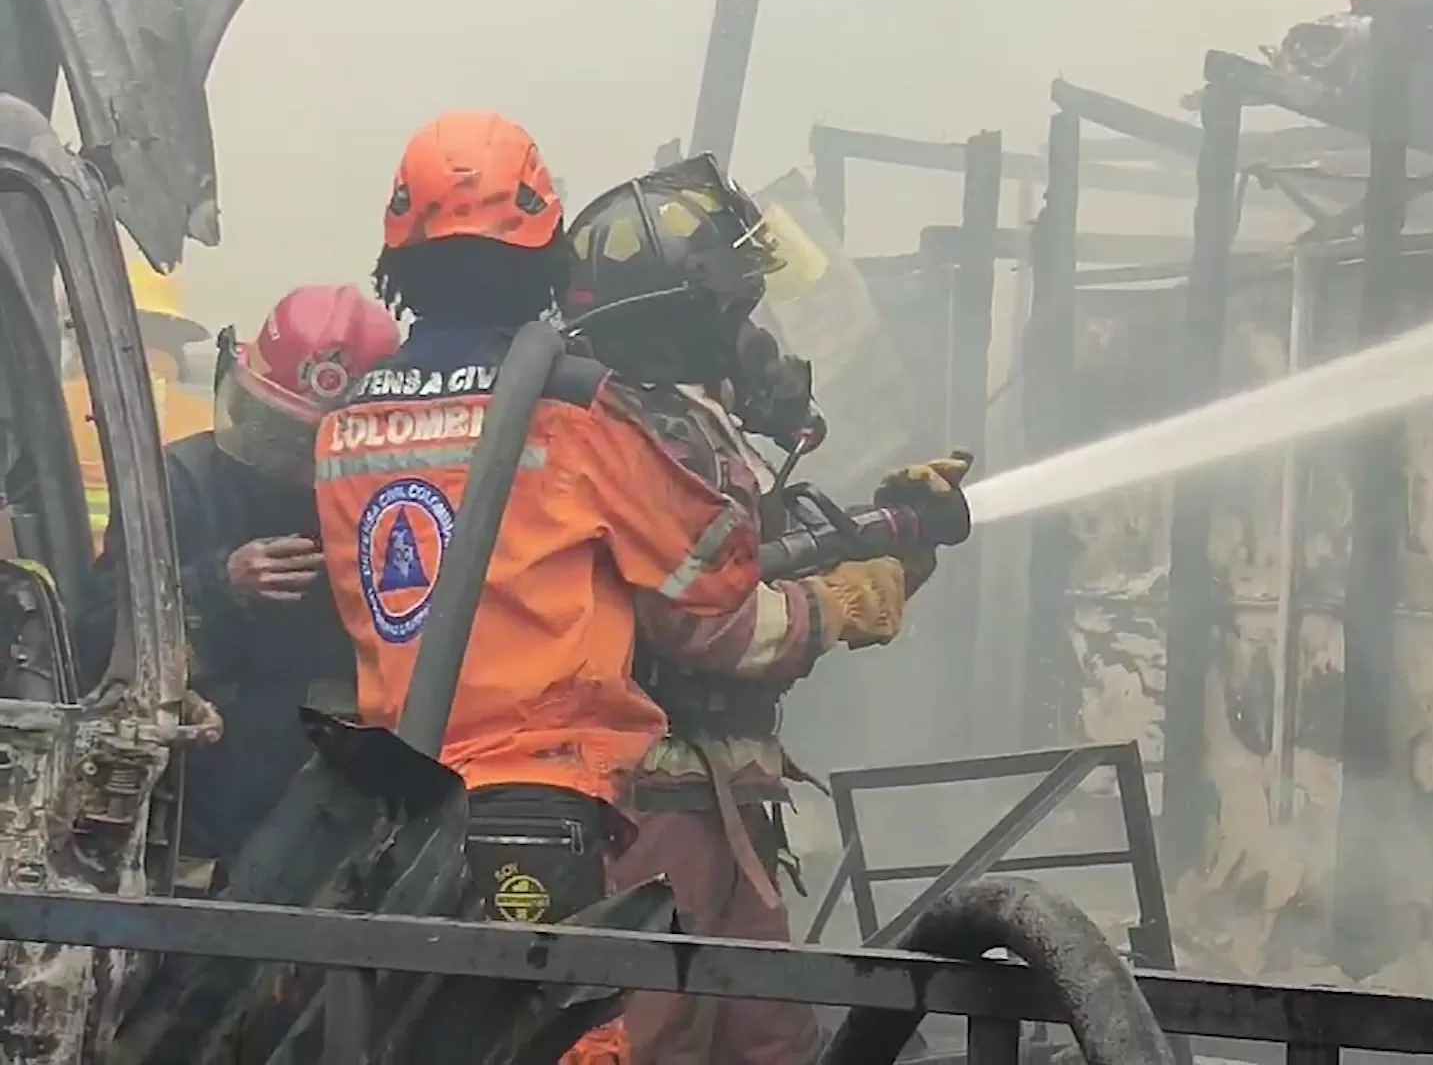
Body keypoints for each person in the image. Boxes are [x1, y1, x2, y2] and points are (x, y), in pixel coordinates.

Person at [311, 112, 908, 1065]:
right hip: (578, 808)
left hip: (413, 818)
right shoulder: (580, 415)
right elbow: (708, 611)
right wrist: (840, 600)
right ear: (542, 249)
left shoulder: (342, 428)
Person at [561, 158, 969, 1065]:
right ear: (682, 318)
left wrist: (894, 549)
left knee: (767, 1038)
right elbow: (719, 624)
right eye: (738, 311)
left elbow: (748, 563)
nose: (753, 335)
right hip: (654, 807)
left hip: (717, 803)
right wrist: (853, 599)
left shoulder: (675, 424)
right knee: (655, 1040)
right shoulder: (644, 432)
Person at [74, 282, 401, 886]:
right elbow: (94, 642)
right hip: (190, 842)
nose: (281, 458)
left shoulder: (390, 510)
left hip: (338, 846)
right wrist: (219, 589)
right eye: (270, 427)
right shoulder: (180, 483)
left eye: (306, 443)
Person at [65, 246, 217, 549]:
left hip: (59, 582)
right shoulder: (205, 419)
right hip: (161, 586)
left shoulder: (52, 407)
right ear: (175, 341)